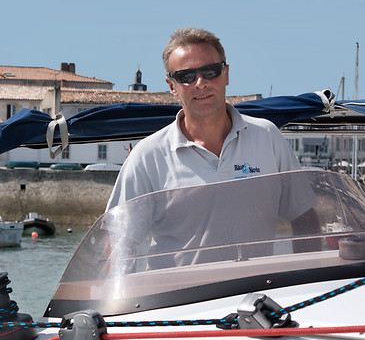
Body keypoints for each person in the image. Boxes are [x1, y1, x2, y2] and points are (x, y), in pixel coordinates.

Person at [106, 28, 318, 257]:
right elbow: (118, 242)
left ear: (226, 74)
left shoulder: (267, 137)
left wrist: (307, 283)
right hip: (179, 293)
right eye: (186, 76)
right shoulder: (147, 156)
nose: (200, 83)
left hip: (255, 291)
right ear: (172, 86)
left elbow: (305, 217)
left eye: (210, 71)